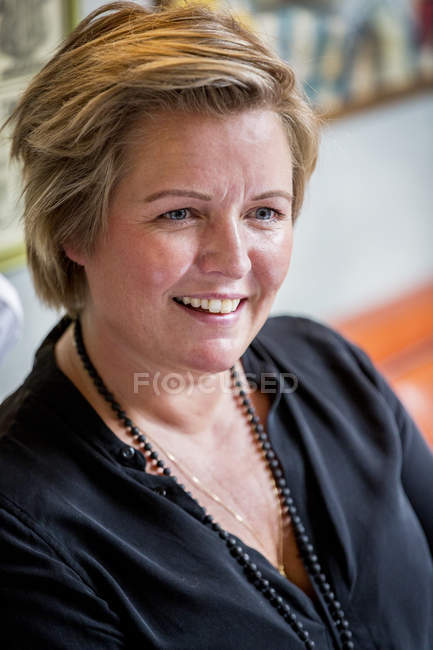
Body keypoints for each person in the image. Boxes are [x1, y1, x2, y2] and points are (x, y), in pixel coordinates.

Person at [0, 2, 431, 649]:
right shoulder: (20, 517)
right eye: (179, 214)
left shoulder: (325, 361)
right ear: (72, 228)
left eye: (263, 212)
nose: (232, 261)